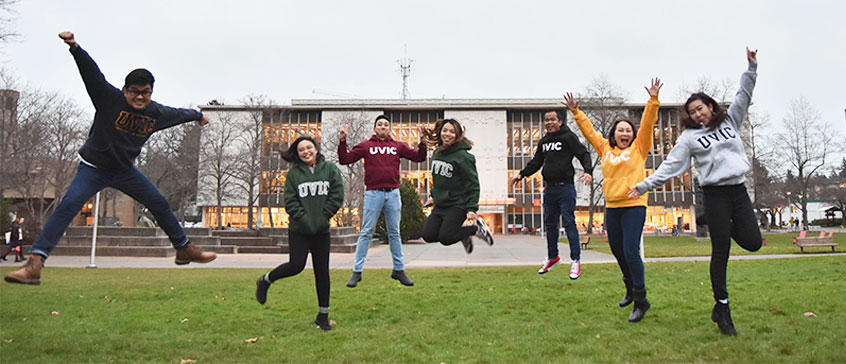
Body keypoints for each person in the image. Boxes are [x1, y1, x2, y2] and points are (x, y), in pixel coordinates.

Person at [4, 32, 217, 286]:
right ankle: (35, 263)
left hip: (125, 171)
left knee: (158, 201)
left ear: (151, 92)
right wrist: (75, 47)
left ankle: (183, 249)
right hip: (93, 168)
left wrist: (197, 116)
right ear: (125, 90)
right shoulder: (108, 99)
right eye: (134, 92)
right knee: (69, 205)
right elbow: (91, 74)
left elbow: (178, 113)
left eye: (145, 93)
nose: (140, 97)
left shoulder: (155, 112)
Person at [629, 48, 762, 336]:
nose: (697, 114)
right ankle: (722, 308)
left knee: (754, 242)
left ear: (711, 107)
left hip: (738, 191)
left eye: (700, 108)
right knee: (721, 251)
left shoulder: (730, 122)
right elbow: (671, 167)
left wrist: (751, 68)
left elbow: (743, 96)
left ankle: (711, 220)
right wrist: (643, 185)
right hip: (714, 194)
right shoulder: (689, 138)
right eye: (691, 112)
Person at [564, 78, 662, 322]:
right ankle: (630, 287)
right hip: (613, 206)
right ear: (614, 134)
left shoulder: (639, 147)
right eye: (621, 130)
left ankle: (641, 300)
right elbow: (589, 132)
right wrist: (576, 112)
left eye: (628, 130)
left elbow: (648, 125)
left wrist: (652, 101)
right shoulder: (605, 149)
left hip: (634, 205)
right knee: (617, 250)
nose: (625, 133)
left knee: (630, 251)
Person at [254, 136, 344, 331]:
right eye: (301, 149)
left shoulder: (330, 169)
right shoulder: (294, 175)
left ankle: (323, 315)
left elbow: (337, 195)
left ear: (316, 148)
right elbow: (291, 201)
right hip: (299, 230)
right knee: (296, 266)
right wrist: (305, 219)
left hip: (321, 230)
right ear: (297, 154)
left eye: (309, 147)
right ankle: (266, 280)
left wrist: (323, 216)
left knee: (322, 272)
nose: (306, 152)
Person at [338, 115, 427, 288]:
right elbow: (345, 159)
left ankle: (399, 270)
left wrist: (422, 142)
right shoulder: (366, 146)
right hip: (373, 194)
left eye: (386, 125)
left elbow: (419, 157)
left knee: (394, 233)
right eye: (380, 124)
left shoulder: (397, 146)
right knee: (366, 232)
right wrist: (343, 141)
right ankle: (357, 271)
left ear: (390, 129)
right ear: (374, 128)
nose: (383, 127)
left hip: (393, 194)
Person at [509, 110, 593, 278]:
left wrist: (588, 171)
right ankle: (553, 257)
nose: (549, 122)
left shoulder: (568, 137)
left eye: (552, 119)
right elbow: (536, 162)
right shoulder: (544, 141)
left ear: (560, 121)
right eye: (546, 120)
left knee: (569, 222)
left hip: (565, 188)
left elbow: (583, 153)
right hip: (550, 189)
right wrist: (522, 174)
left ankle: (575, 260)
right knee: (550, 224)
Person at [420, 119, 493, 253]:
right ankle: (463, 234)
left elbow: (473, 184)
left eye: (452, 132)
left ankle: (476, 229)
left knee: (446, 237)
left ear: (458, 135)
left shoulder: (464, 157)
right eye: (445, 130)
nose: (448, 134)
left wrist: (472, 208)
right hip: (440, 205)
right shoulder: (437, 153)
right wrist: (433, 196)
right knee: (428, 235)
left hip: (457, 205)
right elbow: (437, 179)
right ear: (440, 132)